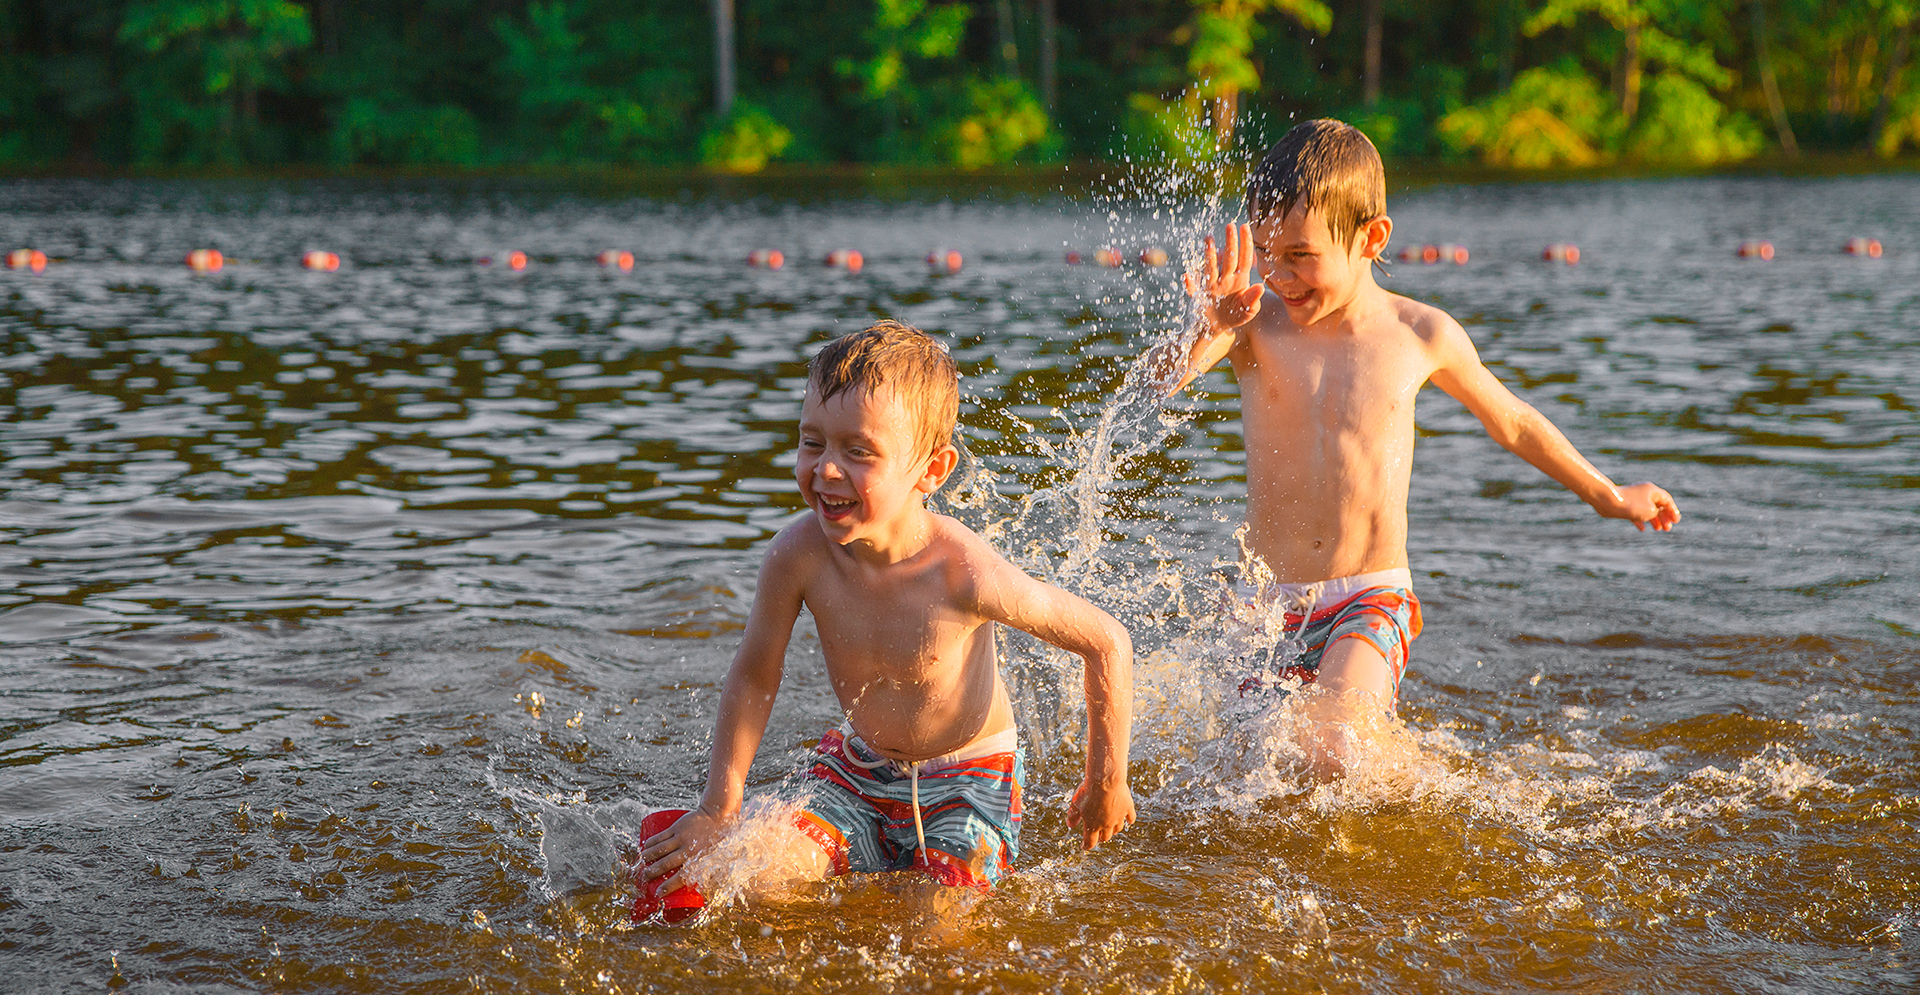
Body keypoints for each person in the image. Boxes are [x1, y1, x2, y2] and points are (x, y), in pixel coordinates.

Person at [1159, 119, 1680, 777]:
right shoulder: (1251, 325)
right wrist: (1203, 326)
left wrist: (1608, 494)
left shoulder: (1418, 333)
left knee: (1336, 750)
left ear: (1371, 237)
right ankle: (1411, 765)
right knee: (1245, 766)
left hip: (1368, 594)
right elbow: (1156, 382)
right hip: (1265, 604)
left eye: (1300, 255)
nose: (1279, 275)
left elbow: (1513, 422)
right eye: (1265, 252)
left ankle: (1415, 785)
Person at [640, 320, 1136, 898]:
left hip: (970, 780)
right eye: (812, 442)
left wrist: (1107, 782)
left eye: (858, 452)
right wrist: (718, 809)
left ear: (931, 471)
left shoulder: (963, 572)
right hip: (858, 768)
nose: (826, 469)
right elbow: (755, 674)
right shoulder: (797, 556)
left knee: (936, 922)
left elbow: (1106, 641)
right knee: (748, 880)